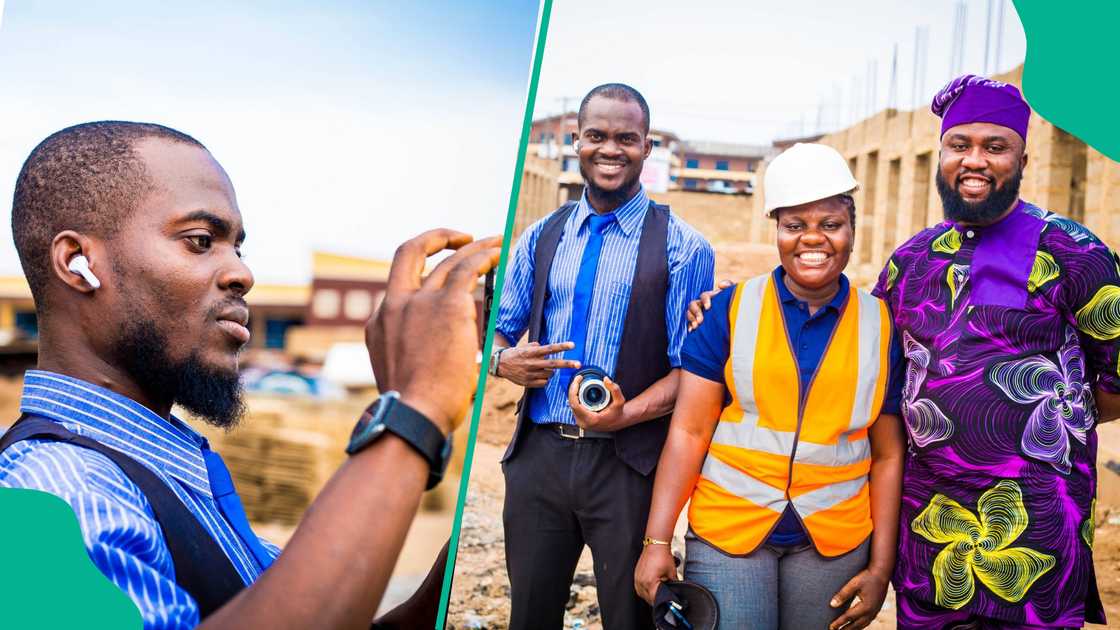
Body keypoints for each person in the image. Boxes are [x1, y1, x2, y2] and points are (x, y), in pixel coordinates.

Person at [0, 121, 500, 629]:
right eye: (200, 241)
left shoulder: (163, 469)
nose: (243, 273)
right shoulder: (51, 494)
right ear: (78, 262)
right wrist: (415, 411)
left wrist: (452, 570)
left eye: (236, 246)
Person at [874, 74, 1120, 629]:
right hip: (933, 537)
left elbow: (1116, 375)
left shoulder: (1076, 252)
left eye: (995, 147)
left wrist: (1047, 420)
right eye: (960, 145)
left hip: (1038, 536)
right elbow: (872, 365)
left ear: (1024, 160)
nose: (975, 161)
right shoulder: (909, 262)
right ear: (941, 156)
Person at [635, 143, 907, 630]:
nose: (813, 239)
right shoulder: (729, 310)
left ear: (852, 228)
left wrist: (881, 566)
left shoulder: (883, 326)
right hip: (729, 531)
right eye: (794, 225)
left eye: (830, 224)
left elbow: (887, 454)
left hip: (833, 540)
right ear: (776, 229)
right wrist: (657, 542)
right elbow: (689, 432)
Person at [489, 83, 715, 630]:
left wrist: (624, 415)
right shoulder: (539, 237)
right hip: (538, 459)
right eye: (596, 136)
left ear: (647, 146)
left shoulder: (684, 247)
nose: (609, 149)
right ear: (576, 141)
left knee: (629, 619)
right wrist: (503, 364)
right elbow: (494, 332)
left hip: (629, 467)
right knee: (530, 619)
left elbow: (690, 370)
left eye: (625, 138)